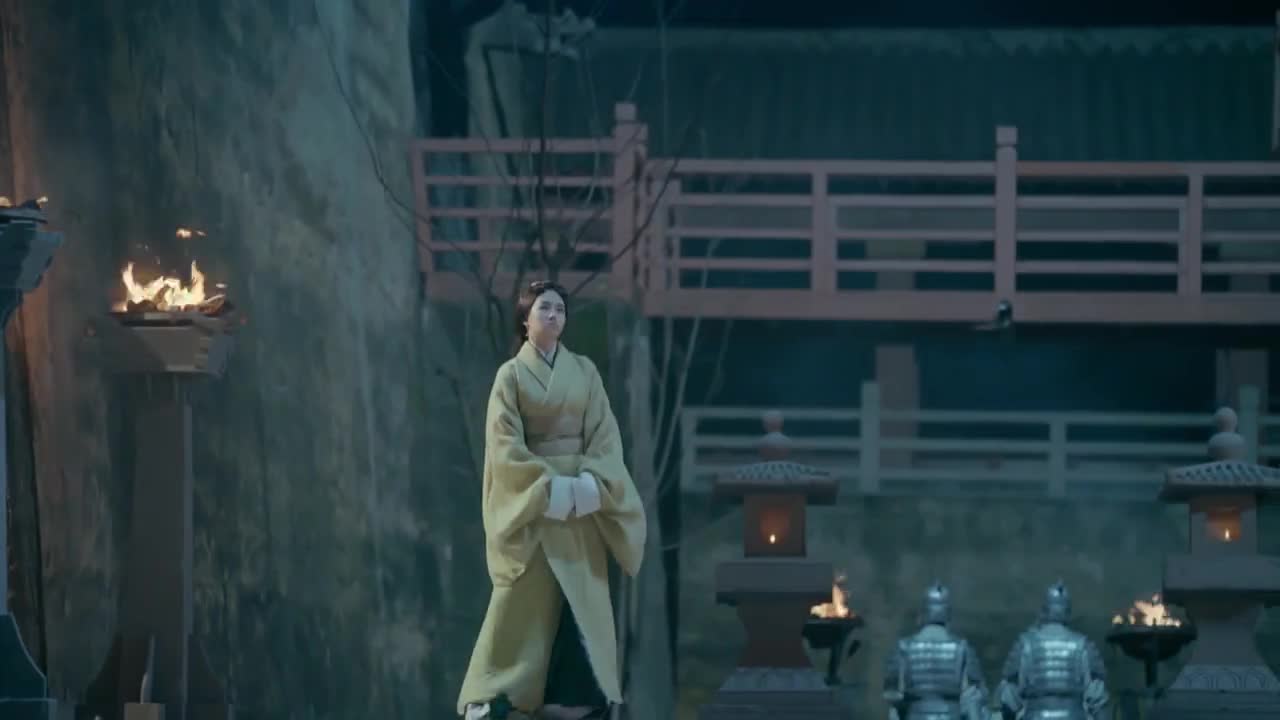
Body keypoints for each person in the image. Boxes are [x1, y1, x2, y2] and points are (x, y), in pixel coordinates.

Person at [457, 280, 647, 720]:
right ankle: (493, 689)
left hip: (580, 501)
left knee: (581, 597)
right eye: (544, 308)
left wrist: (594, 482)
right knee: (521, 596)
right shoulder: (510, 376)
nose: (554, 315)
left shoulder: (585, 372)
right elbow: (503, 445)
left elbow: (605, 435)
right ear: (525, 320)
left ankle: (577, 694)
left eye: (560, 309)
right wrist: (544, 488)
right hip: (538, 500)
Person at [996, 581, 1109, 720]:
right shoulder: (1083, 646)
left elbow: (1009, 698)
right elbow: (1098, 699)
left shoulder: (1026, 644)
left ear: (1044, 610)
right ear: (1068, 611)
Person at [883, 582, 989, 720]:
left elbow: (892, 692)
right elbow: (976, 694)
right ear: (947, 612)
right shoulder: (962, 648)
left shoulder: (904, 647)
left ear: (923, 612)